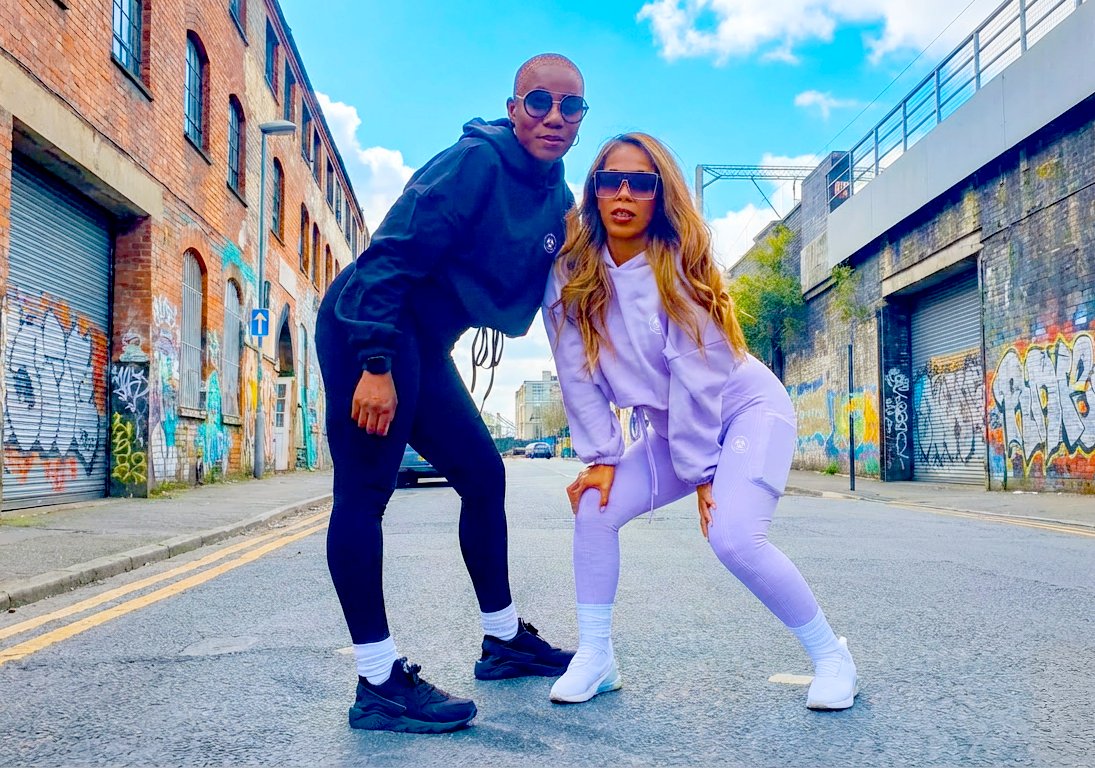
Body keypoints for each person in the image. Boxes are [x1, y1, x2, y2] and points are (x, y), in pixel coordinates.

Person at [316, 54, 587, 734]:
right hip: (371, 325)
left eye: (571, 107)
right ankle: (378, 682)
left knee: (482, 473)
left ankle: (502, 642)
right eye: (538, 103)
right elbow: (388, 259)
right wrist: (374, 362)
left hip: (423, 344)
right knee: (366, 493)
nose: (554, 117)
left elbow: (575, 283)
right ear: (514, 106)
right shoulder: (473, 164)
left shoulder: (558, 199)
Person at [542, 133, 860, 711]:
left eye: (641, 183)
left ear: (659, 196)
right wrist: (603, 460)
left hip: (744, 412)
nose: (623, 193)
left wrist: (703, 471)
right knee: (594, 508)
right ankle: (596, 656)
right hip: (674, 430)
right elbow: (574, 373)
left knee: (734, 537)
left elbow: (697, 380)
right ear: (592, 191)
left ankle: (833, 659)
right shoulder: (570, 273)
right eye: (610, 179)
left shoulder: (679, 268)